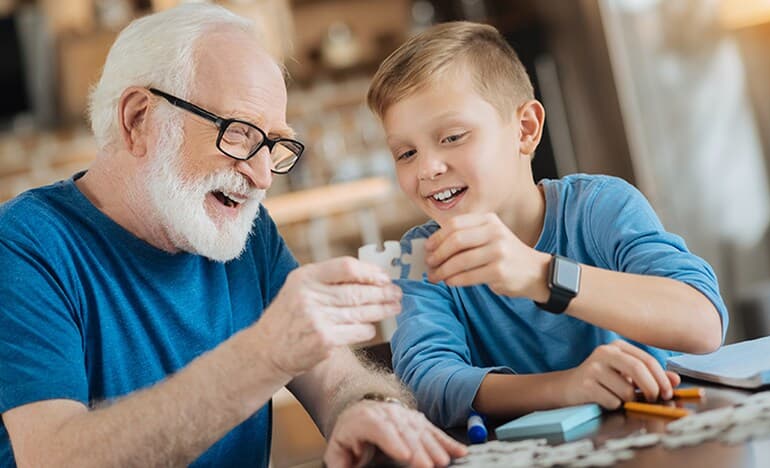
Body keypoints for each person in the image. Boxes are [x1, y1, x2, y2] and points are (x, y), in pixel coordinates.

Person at [0, 5, 467, 467]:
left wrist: (368, 410)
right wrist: (263, 356)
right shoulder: (25, 245)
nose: (263, 175)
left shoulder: (246, 232)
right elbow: (53, 457)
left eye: (272, 144)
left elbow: (336, 380)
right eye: (238, 133)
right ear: (138, 119)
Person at [366, 21, 729, 429]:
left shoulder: (600, 207)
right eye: (406, 152)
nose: (428, 168)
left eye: (452, 137)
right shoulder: (418, 256)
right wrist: (568, 387)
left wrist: (543, 275)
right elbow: (426, 385)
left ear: (526, 129)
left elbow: (703, 324)